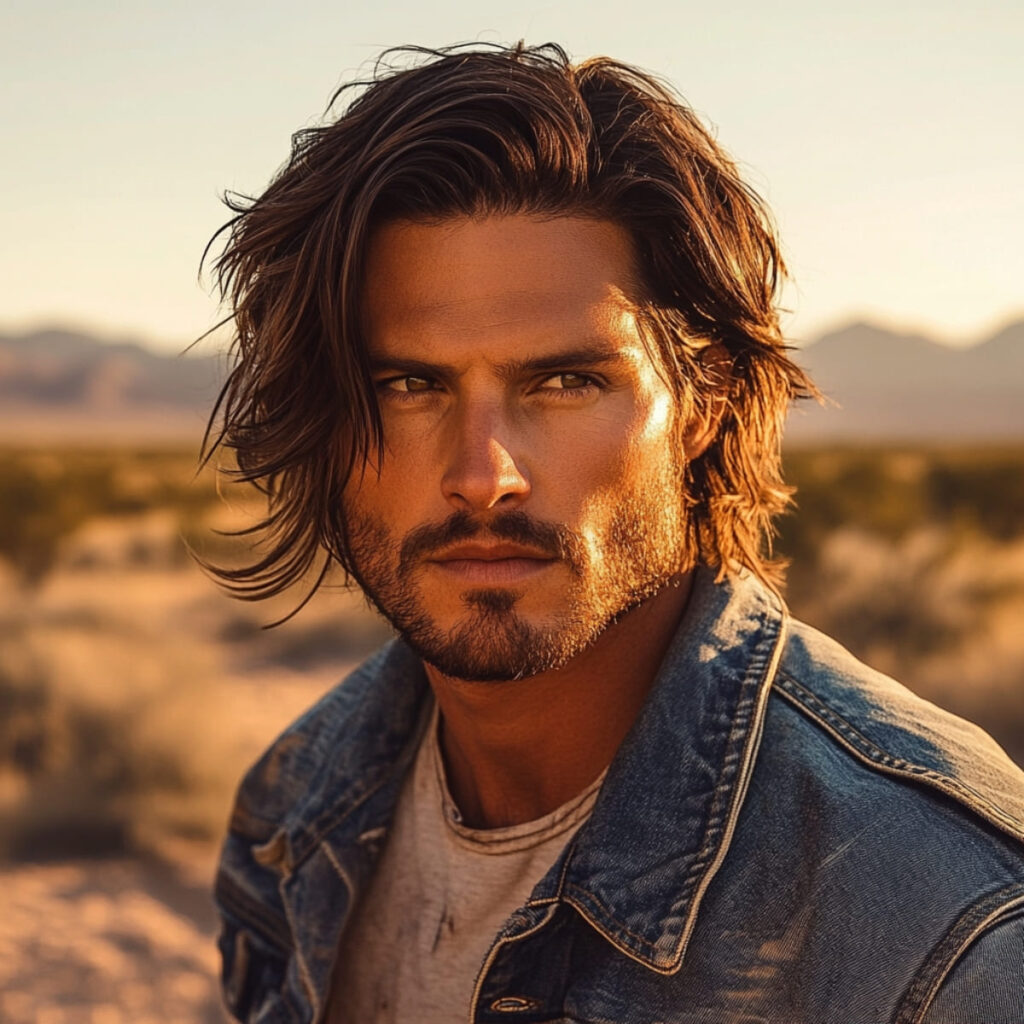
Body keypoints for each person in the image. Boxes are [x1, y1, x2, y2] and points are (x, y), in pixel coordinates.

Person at [204, 43, 1024, 1023]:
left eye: (564, 381)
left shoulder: (949, 933)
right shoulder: (297, 803)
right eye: (408, 385)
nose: (481, 474)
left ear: (702, 403)